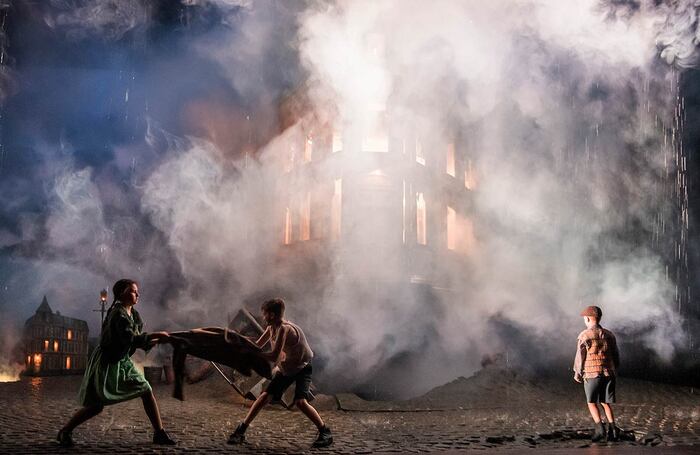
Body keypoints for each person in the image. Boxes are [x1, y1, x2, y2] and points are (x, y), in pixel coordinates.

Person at [56, 279, 175, 447]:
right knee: (96, 406)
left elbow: (135, 339)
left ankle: (159, 433)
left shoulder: (133, 313)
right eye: (133, 291)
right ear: (122, 294)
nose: (137, 294)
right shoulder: (118, 314)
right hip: (107, 361)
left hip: (122, 361)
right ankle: (65, 431)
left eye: (136, 291)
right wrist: (157, 336)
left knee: (146, 390)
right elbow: (131, 339)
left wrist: (156, 339)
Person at [227, 298, 333, 448]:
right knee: (264, 397)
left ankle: (325, 432)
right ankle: (241, 431)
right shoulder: (271, 328)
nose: (263, 317)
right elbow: (258, 345)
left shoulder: (285, 329)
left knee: (301, 402)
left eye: (264, 314)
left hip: (302, 368)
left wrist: (253, 354)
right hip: (287, 369)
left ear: (271, 314)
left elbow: (274, 355)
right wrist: (240, 341)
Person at [573, 305, 620, 442]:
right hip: (608, 373)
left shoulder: (584, 335)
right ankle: (613, 429)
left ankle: (600, 429)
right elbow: (616, 355)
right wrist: (614, 368)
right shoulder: (609, 334)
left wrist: (577, 373)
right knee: (605, 402)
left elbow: (580, 357)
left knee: (591, 402)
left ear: (587, 319)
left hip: (592, 373)